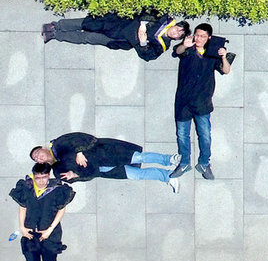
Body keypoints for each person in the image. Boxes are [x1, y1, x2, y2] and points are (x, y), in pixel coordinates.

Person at [10, 163, 75, 261]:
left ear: (48, 175)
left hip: (49, 236)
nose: (40, 181)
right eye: (37, 178)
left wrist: (50, 229)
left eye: (44, 177)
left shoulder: (57, 188)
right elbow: (22, 207)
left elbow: (62, 209)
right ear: (34, 176)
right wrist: (22, 227)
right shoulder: (26, 187)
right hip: (30, 234)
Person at [170, 23, 234, 181]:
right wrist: (184, 46)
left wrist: (223, 56)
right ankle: (184, 163)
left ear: (209, 38)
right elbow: (177, 52)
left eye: (202, 36)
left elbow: (226, 70)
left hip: (202, 102)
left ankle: (204, 163)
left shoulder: (213, 53)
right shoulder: (188, 48)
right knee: (182, 135)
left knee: (205, 136)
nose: (198, 39)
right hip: (183, 101)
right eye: (197, 35)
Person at [30, 132, 181, 193]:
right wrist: (74, 174)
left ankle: (169, 160)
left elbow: (84, 138)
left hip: (105, 153)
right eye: (36, 159)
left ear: (43, 148)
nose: (38, 157)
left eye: (37, 153)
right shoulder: (57, 170)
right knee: (138, 175)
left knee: (139, 157)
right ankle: (168, 177)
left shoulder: (58, 144)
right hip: (103, 170)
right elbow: (86, 178)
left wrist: (79, 152)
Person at [42, 13, 190, 61]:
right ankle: (56, 26)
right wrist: (143, 24)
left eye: (179, 35)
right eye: (178, 29)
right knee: (89, 23)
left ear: (177, 39)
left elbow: (148, 55)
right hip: (120, 24)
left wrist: (143, 41)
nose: (176, 32)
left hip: (120, 40)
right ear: (176, 25)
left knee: (88, 38)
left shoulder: (162, 45)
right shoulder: (165, 20)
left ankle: (56, 35)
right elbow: (148, 11)